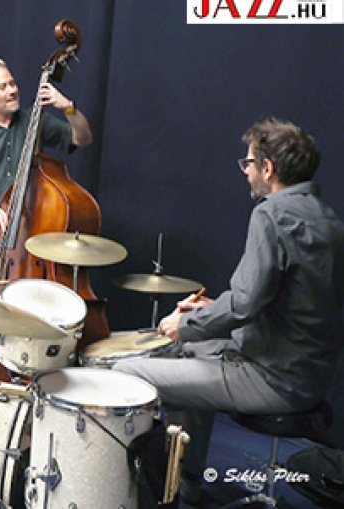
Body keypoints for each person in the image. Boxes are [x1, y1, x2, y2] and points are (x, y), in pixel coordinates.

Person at [114, 117, 344, 504]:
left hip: (272, 377)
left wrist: (187, 323)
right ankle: (185, 481)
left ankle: (133, 492)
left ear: (267, 168)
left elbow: (244, 302)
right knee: (182, 352)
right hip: (307, 373)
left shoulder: (272, 214)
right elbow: (287, 301)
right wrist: (207, 311)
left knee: (128, 371)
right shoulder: (327, 218)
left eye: (248, 163)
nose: (246, 172)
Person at [0, 57, 93, 297]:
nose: (11, 91)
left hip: (31, 235)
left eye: (12, 83)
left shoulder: (35, 121)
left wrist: (68, 107)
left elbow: (83, 139)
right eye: (2, 87)